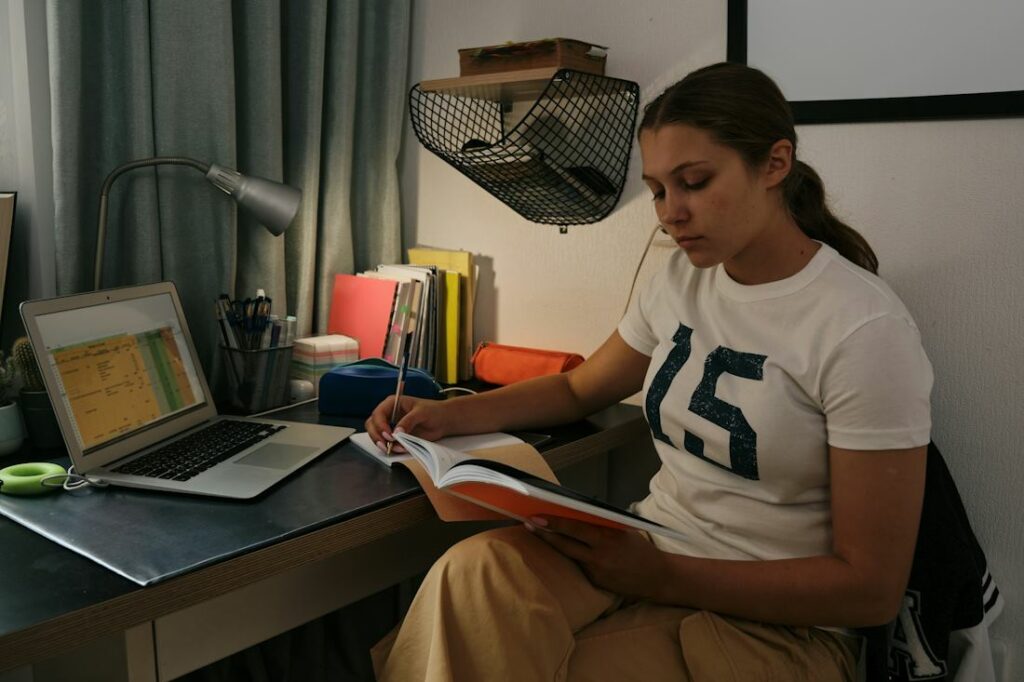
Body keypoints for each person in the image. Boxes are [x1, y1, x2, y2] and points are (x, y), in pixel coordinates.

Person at [365, 62, 933, 681]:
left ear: (775, 165)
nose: (670, 214)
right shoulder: (681, 279)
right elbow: (580, 387)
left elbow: (870, 590)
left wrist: (663, 577)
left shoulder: (863, 329)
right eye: (659, 190)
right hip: (653, 547)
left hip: (780, 625)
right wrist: (445, 415)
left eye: (694, 182)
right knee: (472, 576)